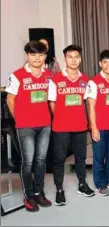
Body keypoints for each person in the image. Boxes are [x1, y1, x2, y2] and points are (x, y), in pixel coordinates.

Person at [5, 41, 53, 212]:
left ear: (45, 57)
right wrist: (20, 119)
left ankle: (39, 192)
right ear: (27, 55)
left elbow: (51, 99)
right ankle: (29, 196)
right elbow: (10, 99)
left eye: (40, 55)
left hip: (45, 124)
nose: (36, 58)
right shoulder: (17, 75)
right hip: (26, 126)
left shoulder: (48, 75)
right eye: (33, 55)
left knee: (41, 161)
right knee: (28, 161)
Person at [48, 45, 95, 206]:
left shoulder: (85, 80)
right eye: (70, 57)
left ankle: (82, 184)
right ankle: (59, 189)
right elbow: (52, 103)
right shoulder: (56, 79)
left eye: (76, 57)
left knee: (80, 157)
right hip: (60, 126)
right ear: (65, 59)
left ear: (80, 59)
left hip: (80, 126)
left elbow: (89, 104)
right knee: (59, 159)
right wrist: (62, 117)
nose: (73, 60)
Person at [84, 50, 109, 196]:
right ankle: (100, 184)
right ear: (100, 63)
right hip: (100, 127)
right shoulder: (93, 82)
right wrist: (94, 127)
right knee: (99, 156)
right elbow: (91, 106)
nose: (108, 65)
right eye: (105, 62)